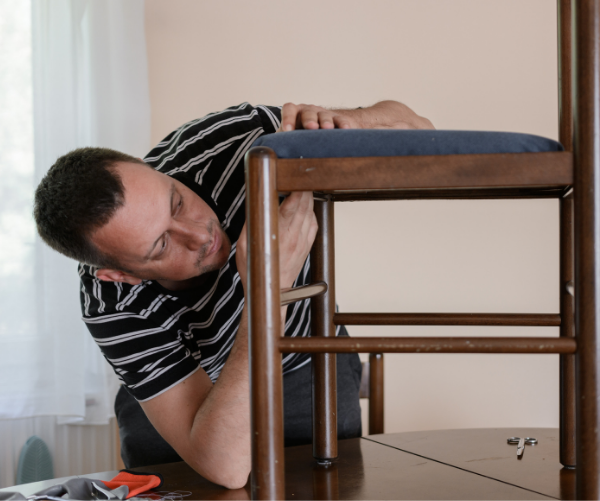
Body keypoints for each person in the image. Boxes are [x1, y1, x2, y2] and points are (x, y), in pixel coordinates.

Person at [33, 101, 434, 489]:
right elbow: (226, 467)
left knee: (325, 488)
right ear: (120, 274)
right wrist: (269, 290)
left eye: (177, 201)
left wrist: (352, 121)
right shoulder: (111, 305)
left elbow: (420, 130)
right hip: (184, 400)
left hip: (303, 360)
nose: (200, 235)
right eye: (161, 246)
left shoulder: (233, 143)